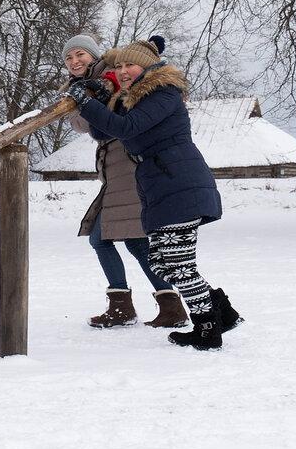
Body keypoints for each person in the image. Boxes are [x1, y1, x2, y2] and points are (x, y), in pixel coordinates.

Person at [63, 40, 244, 350]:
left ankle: (207, 327)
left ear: (146, 66)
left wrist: (88, 102)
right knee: (163, 262)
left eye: (128, 66)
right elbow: (102, 132)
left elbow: (126, 128)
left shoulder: (163, 94)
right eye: (117, 67)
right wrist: (105, 98)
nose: (122, 71)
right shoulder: (133, 98)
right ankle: (221, 312)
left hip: (179, 182)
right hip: (159, 185)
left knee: (178, 265)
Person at [61, 34, 185, 329]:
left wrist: (100, 95)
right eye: (69, 57)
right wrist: (85, 101)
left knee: (108, 238)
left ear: (94, 55)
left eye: (81, 55)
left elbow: (135, 80)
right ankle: (164, 305)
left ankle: (136, 306)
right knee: (134, 241)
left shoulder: (111, 71)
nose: (75, 61)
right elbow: (82, 125)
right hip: (114, 169)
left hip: (129, 165)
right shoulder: (77, 88)